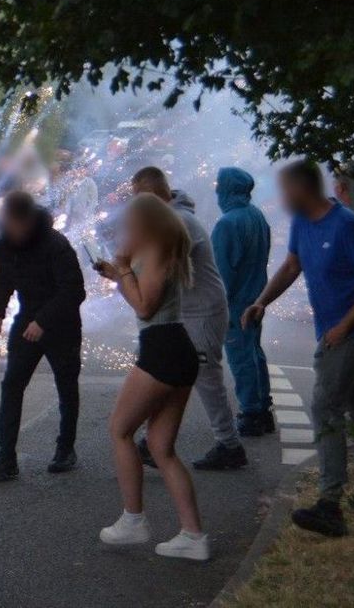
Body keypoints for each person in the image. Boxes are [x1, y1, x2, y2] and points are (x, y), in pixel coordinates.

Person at [243, 159, 354, 538]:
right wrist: (262, 301)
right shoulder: (303, 223)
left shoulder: (347, 226)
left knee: (325, 406)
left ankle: (330, 504)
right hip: (331, 331)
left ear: (304, 189)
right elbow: (292, 266)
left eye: (287, 190)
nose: (283, 198)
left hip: (353, 334)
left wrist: (346, 324)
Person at [93, 193, 210, 561]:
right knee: (160, 447)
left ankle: (133, 520)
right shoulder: (158, 248)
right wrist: (119, 273)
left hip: (163, 348)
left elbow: (145, 306)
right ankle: (193, 536)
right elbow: (141, 296)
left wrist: (125, 268)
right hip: (172, 348)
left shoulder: (158, 248)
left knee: (120, 430)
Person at [131, 167, 246, 470]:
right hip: (190, 311)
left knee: (206, 378)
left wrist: (128, 272)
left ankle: (229, 444)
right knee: (168, 375)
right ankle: (150, 441)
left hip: (202, 311)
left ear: (151, 196)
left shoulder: (179, 221)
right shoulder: (175, 218)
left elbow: (159, 270)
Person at [0, 191, 86, 480]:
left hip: (61, 324)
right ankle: (6, 457)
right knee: (12, 384)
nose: (8, 228)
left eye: (12, 222)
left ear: (26, 220)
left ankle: (65, 449)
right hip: (27, 318)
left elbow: (74, 290)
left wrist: (43, 321)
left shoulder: (55, 244)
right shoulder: (4, 244)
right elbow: (1, 279)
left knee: (66, 385)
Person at [211, 167, 275, 436]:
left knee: (240, 357)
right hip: (256, 297)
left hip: (236, 302)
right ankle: (262, 407)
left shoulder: (227, 224)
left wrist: (217, 306)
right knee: (254, 352)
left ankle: (250, 413)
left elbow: (222, 273)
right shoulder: (256, 216)